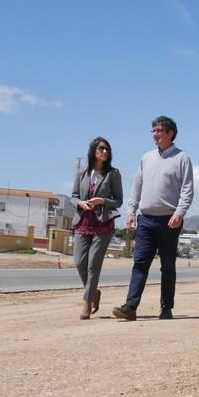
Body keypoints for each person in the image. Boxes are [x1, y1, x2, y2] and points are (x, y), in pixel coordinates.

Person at [112, 116, 194, 321]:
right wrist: (131, 211)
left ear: (170, 133)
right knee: (140, 263)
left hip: (169, 221)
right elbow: (137, 186)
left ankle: (166, 308)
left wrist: (179, 213)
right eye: (153, 131)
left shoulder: (182, 158)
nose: (155, 134)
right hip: (146, 220)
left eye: (159, 130)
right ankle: (130, 306)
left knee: (167, 267)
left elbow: (187, 189)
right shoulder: (146, 158)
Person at [71, 137, 124, 320]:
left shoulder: (113, 174)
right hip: (83, 221)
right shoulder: (82, 172)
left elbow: (119, 201)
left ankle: (87, 303)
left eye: (107, 149)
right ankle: (94, 292)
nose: (105, 152)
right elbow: (73, 196)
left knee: (93, 265)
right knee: (79, 262)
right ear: (93, 150)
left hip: (103, 224)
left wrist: (102, 201)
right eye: (101, 148)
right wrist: (80, 203)